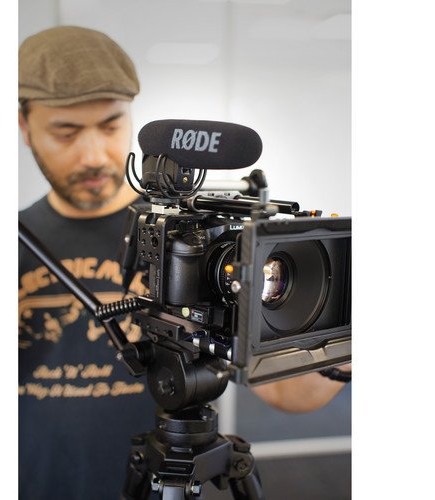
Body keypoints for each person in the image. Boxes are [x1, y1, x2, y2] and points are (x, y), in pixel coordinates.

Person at [19, 26, 350, 500]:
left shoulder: (205, 237)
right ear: (24, 125)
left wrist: (346, 334)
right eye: (65, 132)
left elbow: (289, 392)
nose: (93, 154)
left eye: (110, 126)